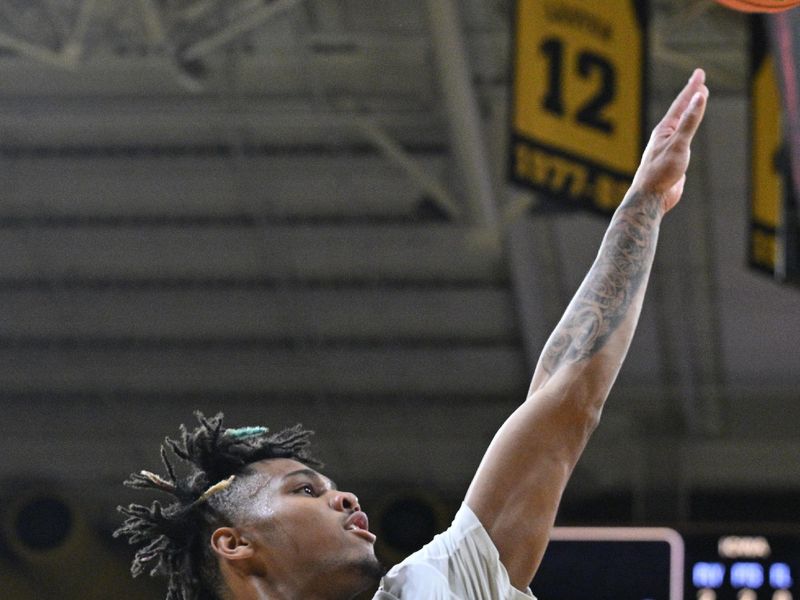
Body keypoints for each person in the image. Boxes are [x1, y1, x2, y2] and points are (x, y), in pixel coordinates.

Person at [115, 69, 709, 600]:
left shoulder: (434, 589)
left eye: (326, 488)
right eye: (304, 491)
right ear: (235, 543)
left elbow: (563, 404)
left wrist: (644, 202)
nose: (344, 499)